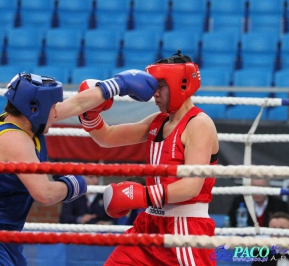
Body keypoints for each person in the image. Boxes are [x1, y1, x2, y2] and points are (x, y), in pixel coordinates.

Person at [0, 70, 158, 265]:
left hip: (1, 236)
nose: (56, 113)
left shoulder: (24, 121)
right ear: (34, 108)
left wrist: (117, 85)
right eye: (52, 107)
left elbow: (76, 104)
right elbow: (46, 194)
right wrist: (76, 183)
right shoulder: (14, 139)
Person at [79, 51, 219, 265]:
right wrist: (89, 114)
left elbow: (191, 186)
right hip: (149, 224)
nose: (155, 94)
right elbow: (107, 138)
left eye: (161, 86)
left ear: (181, 84)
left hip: (185, 228)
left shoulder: (199, 124)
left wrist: (140, 196)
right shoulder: (157, 121)